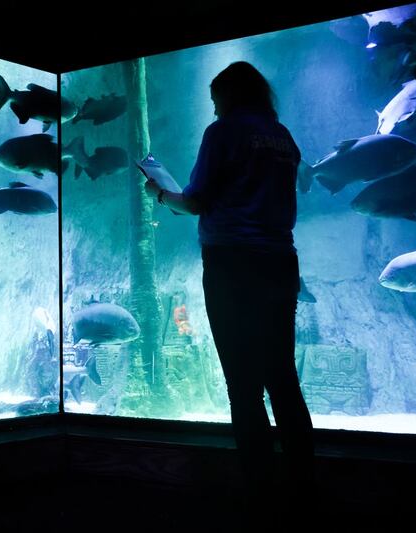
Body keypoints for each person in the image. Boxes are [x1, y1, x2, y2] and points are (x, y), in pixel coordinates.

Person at [145, 61, 315, 526]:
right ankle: (305, 491)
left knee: (243, 386)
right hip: (280, 262)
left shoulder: (222, 134)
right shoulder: (283, 137)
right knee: (282, 378)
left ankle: (261, 497)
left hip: (232, 265)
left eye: (216, 97)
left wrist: (161, 194)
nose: (213, 106)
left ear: (229, 96)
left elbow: (196, 201)